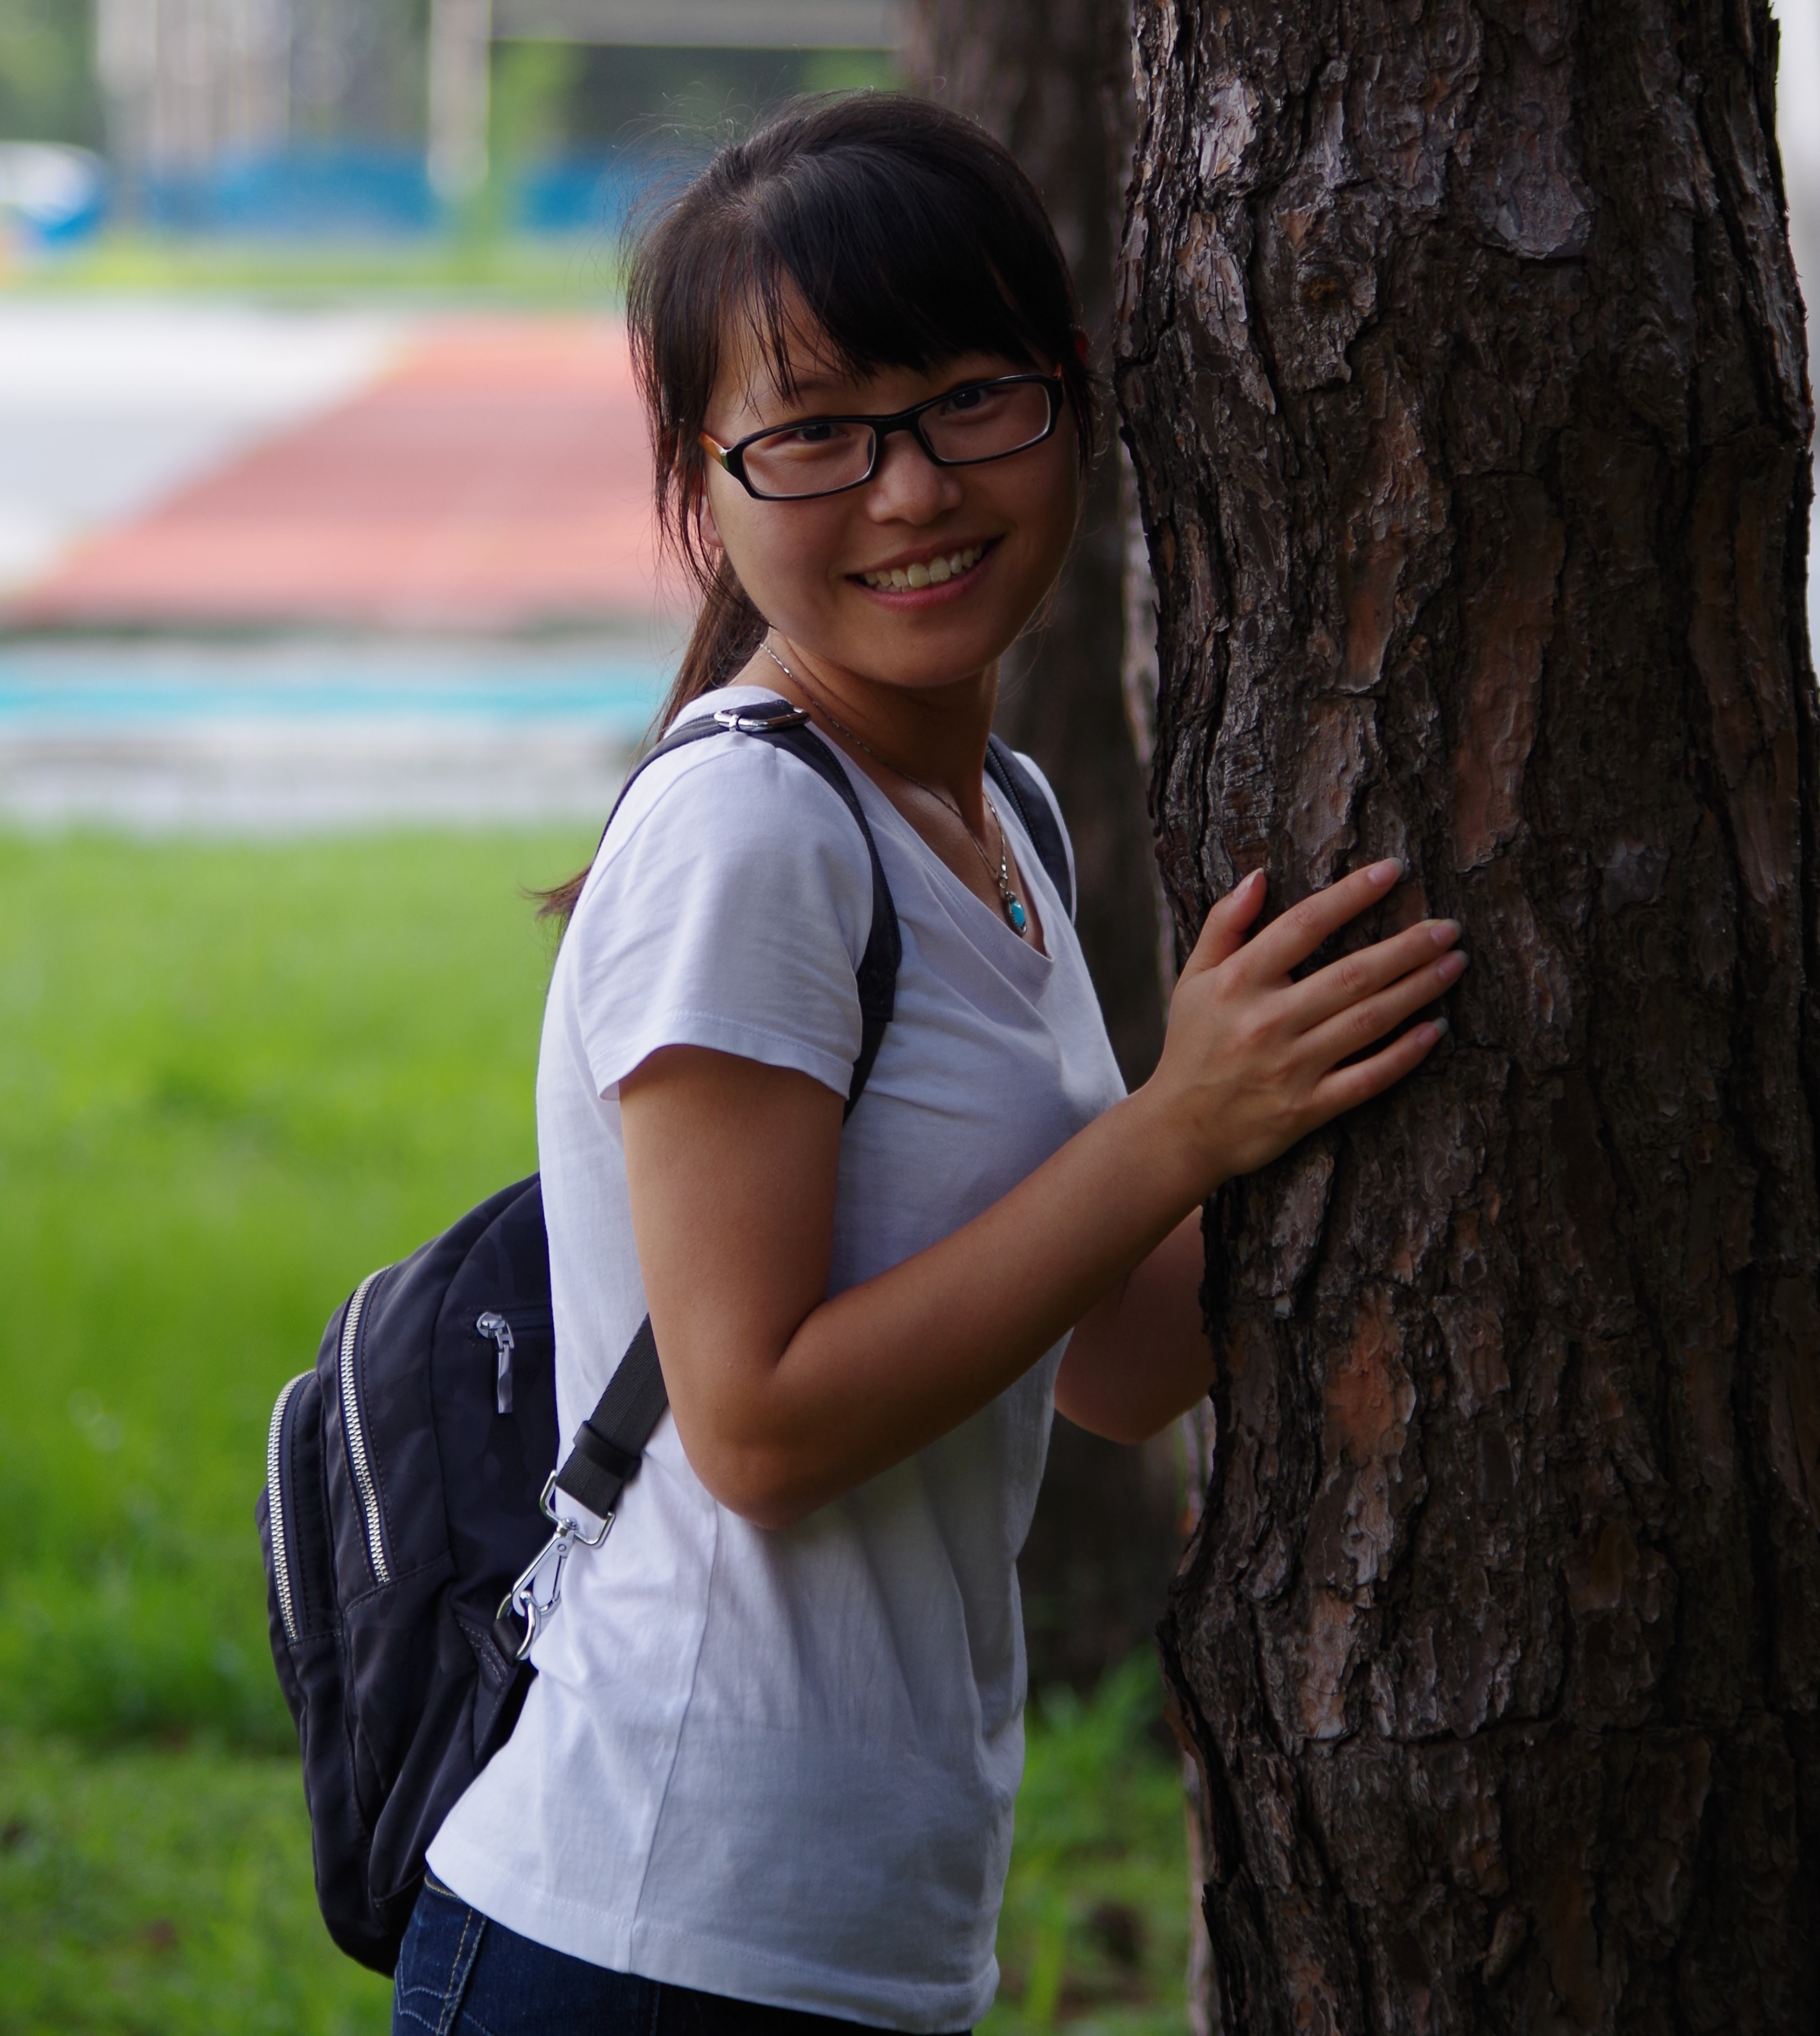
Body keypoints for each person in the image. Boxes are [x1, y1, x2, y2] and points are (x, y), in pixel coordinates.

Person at [397, 93, 1466, 2036]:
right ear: (704, 480)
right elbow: (755, 1427)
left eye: (972, 399)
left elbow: (1119, 1370)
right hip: (648, 1934)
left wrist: (1308, 1100)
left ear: (1071, 398)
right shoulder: (750, 833)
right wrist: (1176, 1125)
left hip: (852, 1940)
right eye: (814, 431)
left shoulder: (1001, 818)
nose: (909, 489)